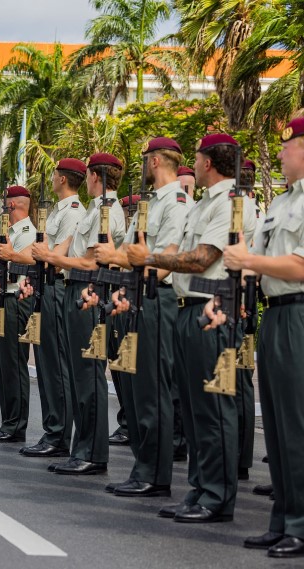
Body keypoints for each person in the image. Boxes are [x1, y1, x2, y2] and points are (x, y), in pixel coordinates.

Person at [127, 133, 256, 523]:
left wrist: (146, 256)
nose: (194, 165)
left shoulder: (233, 204)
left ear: (208, 162)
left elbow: (202, 259)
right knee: (197, 409)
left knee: (214, 409)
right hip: (188, 308)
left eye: (197, 158)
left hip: (211, 309)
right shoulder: (203, 205)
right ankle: (200, 489)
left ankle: (216, 496)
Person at [209, 116, 304, 558]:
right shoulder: (283, 204)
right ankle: (283, 519)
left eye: (288, 146)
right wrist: (230, 285)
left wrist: (250, 261)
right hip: (276, 315)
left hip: (299, 313)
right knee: (283, 428)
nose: (281, 154)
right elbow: (255, 263)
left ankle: (300, 525)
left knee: (298, 423)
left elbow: (299, 267)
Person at [92, 137, 189, 497]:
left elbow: (163, 261)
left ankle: (155, 474)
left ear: (155, 161)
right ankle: (142, 466)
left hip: (157, 298)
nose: (144, 165)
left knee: (153, 392)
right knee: (135, 391)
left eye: (146, 159)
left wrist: (117, 258)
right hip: (136, 298)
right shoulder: (151, 204)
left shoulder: (176, 202)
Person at [31, 153, 126, 475]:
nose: (85, 179)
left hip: (89, 292)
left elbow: (91, 262)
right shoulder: (95, 211)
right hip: (76, 289)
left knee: (89, 377)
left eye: (89, 174)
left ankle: (92, 453)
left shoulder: (107, 211)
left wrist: (52, 258)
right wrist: (48, 254)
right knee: (79, 376)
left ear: (96, 176)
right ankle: (82, 448)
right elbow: (68, 248)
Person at [20, 158, 87, 458]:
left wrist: (42, 253)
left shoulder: (73, 212)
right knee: (46, 363)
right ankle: (52, 429)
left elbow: (53, 254)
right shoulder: (59, 211)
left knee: (57, 366)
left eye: (55, 174)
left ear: (62, 179)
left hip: (58, 286)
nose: (52, 177)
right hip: (45, 285)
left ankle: (59, 435)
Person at [0, 185, 37, 443]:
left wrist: (1, 262)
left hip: (16, 299)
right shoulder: (8, 233)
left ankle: (16, 425)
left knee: (14, 364)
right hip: (1, 299)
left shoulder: (28, 232)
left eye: (5, 202)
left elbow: (23, 262)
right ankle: (8, 422)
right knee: (3, 365)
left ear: (11, 205)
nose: (4, 206)